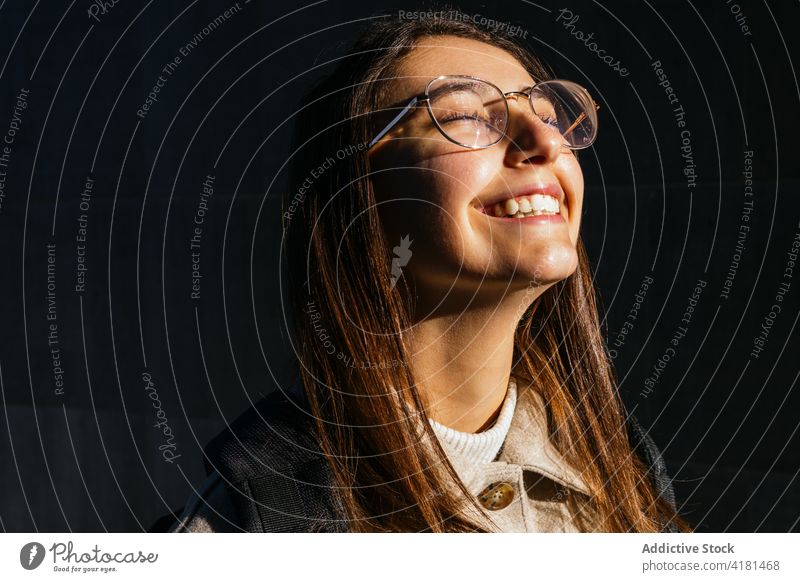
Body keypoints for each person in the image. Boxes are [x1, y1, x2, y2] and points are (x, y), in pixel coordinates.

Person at [151, 12, 692, 534]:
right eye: (465, 116)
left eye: (551, 117)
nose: (547, 143)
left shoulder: (629, 476)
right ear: (355, 199)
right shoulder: (251, 534)